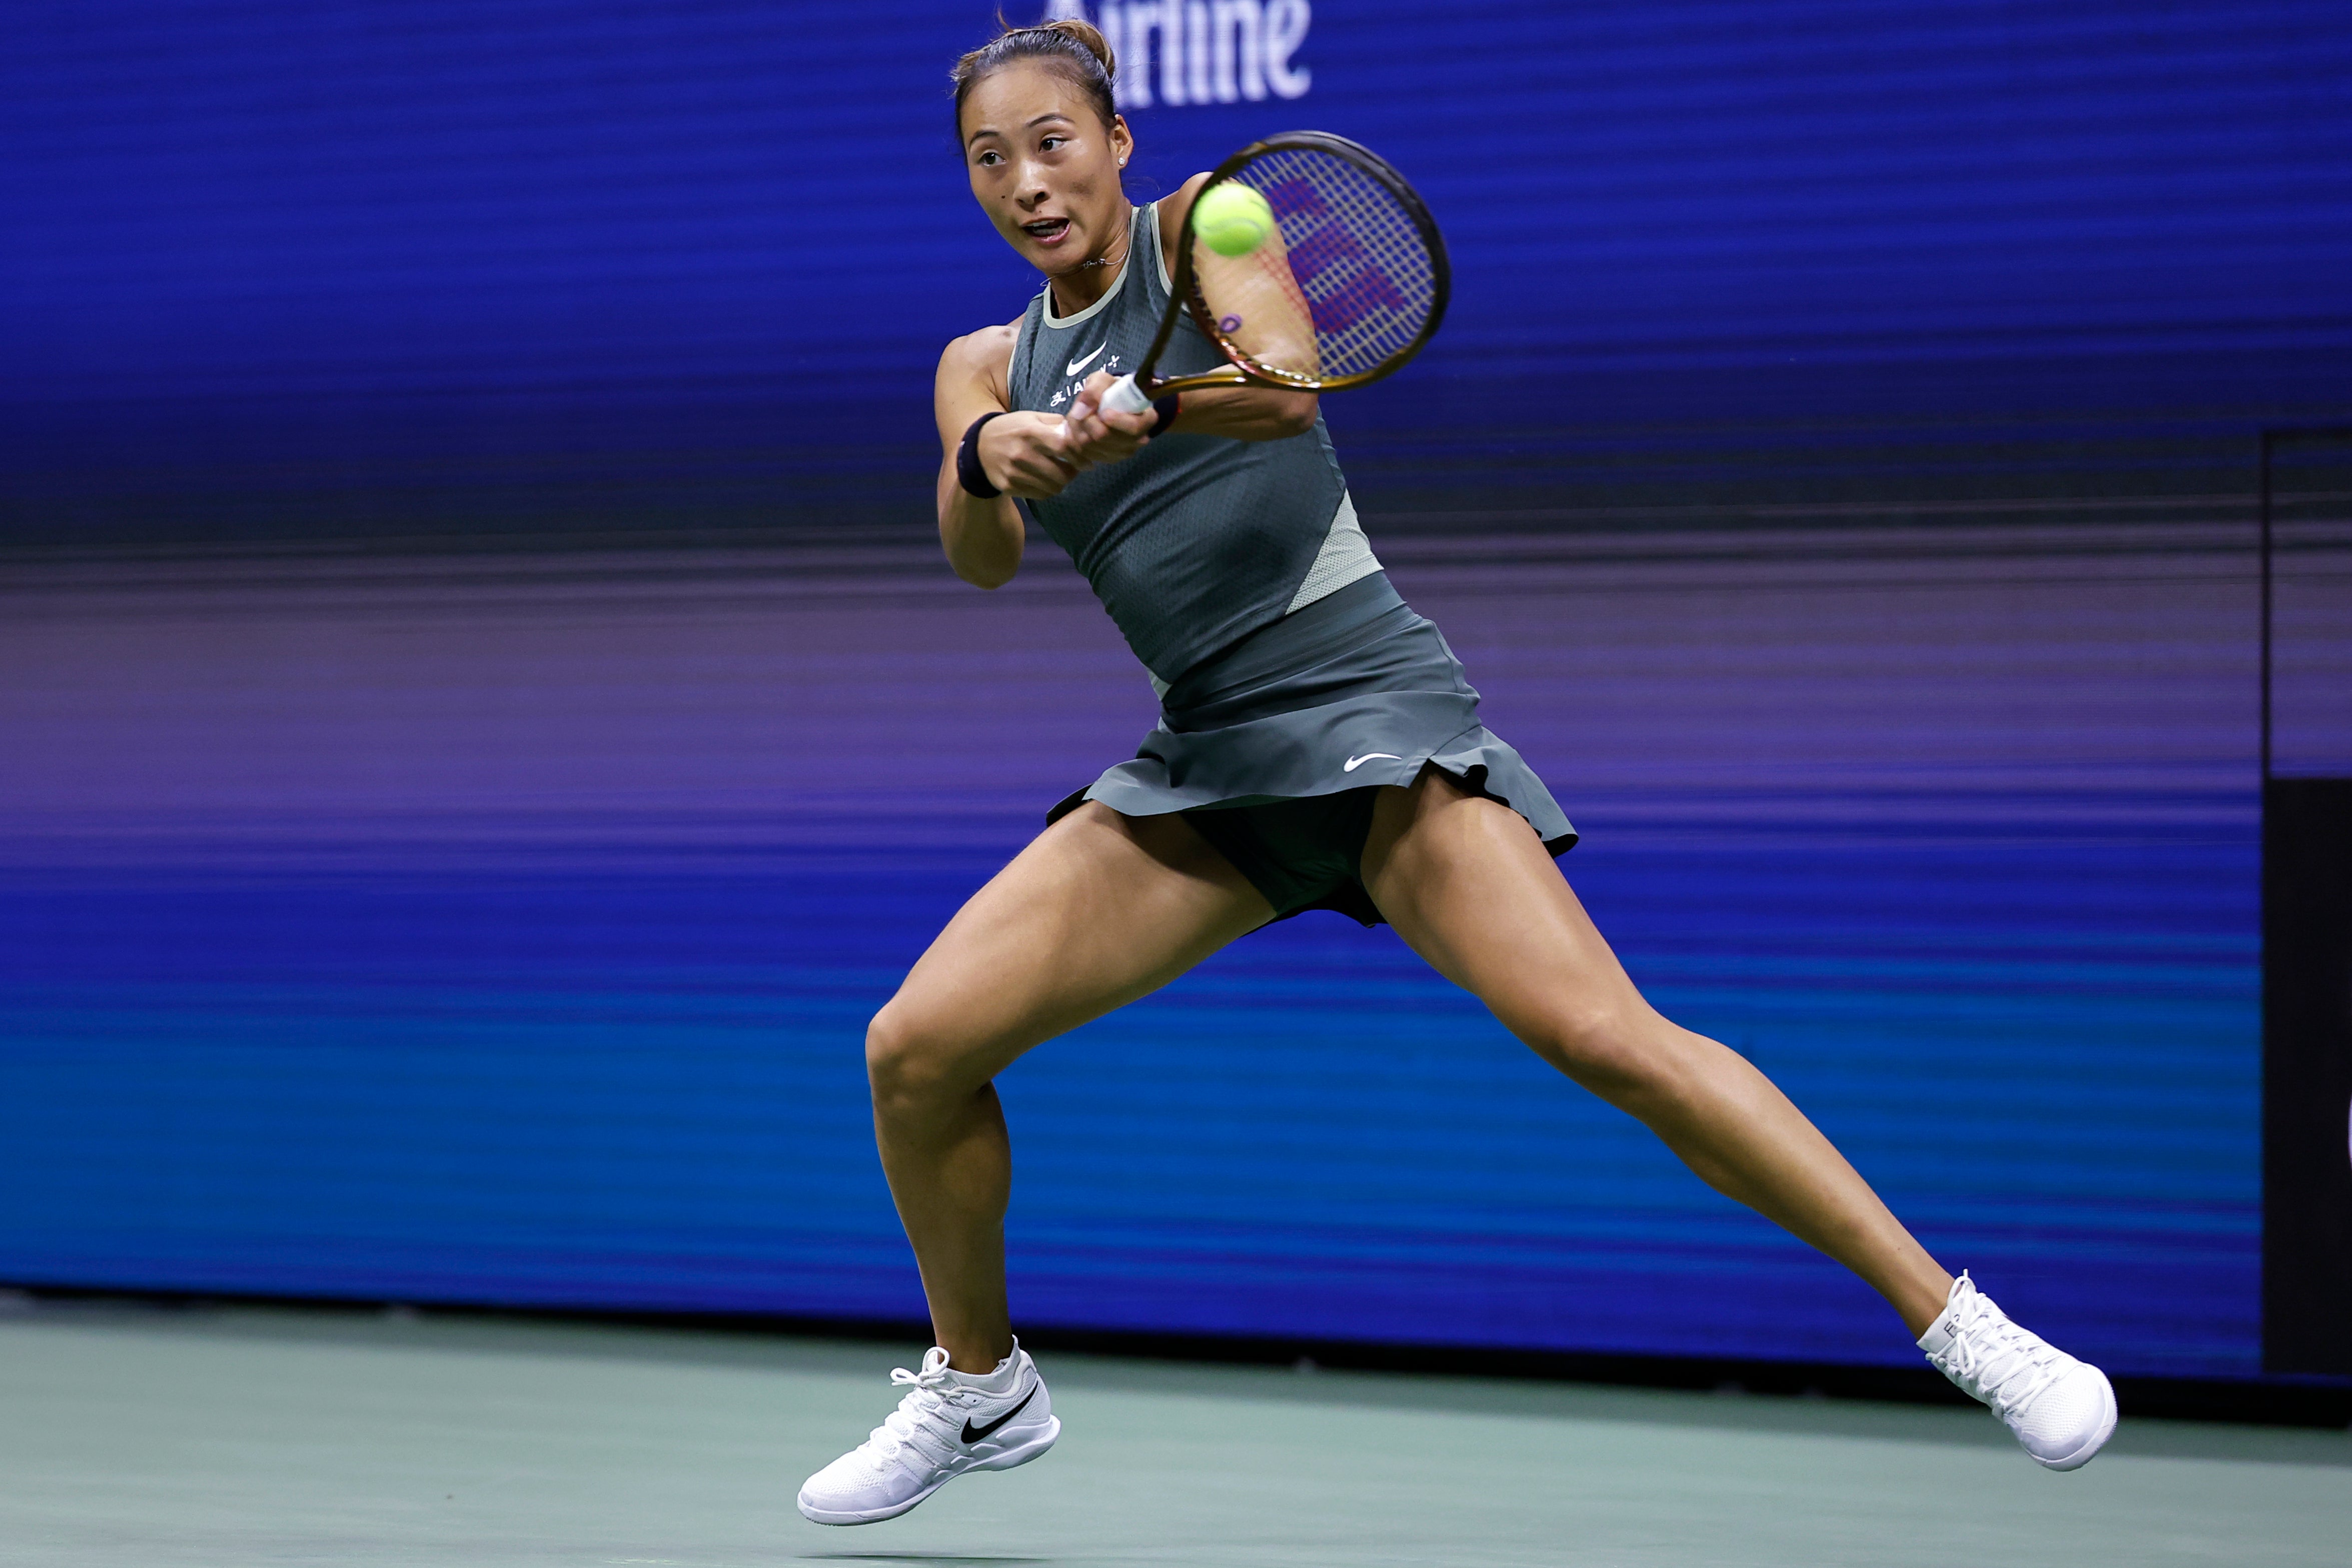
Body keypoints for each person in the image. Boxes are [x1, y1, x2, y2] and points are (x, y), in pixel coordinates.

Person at [796, 19, 2116, 1527]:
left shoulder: (1215, 214)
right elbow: (979, 563)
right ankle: (981, 1388)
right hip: (1208, 764)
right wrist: (994, 459)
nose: (1028, 180)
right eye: (990, 158)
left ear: (1116, 145)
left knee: (1610, 1039)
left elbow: (1291, 382)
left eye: (1053, 141)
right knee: (916, 1048)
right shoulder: (981, 362)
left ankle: (1962, 1328)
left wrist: (1152, 406)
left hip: (1365, 708)